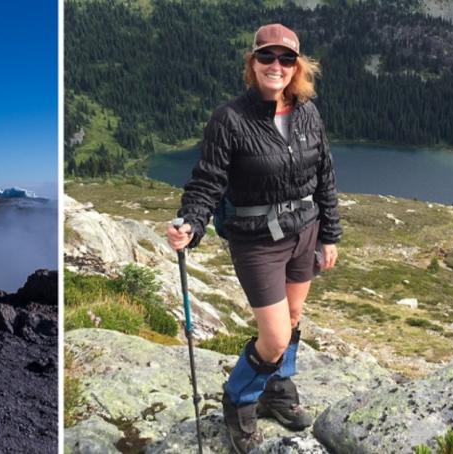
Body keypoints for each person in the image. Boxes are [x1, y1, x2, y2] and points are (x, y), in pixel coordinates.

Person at [166, 23, 340, 453]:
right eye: (267, 57)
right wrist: (191, 223)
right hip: (256, 241)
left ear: (297, 66)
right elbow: (208, 181)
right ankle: (239, 400)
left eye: (285, 59)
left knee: (295, 317)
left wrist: (330, 234)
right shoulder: (230, 119)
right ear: (253, 63)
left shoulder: (307, 112)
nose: (275, 66)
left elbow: (325, 175)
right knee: (276, 336)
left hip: (305, 230)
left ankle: (277, 388)